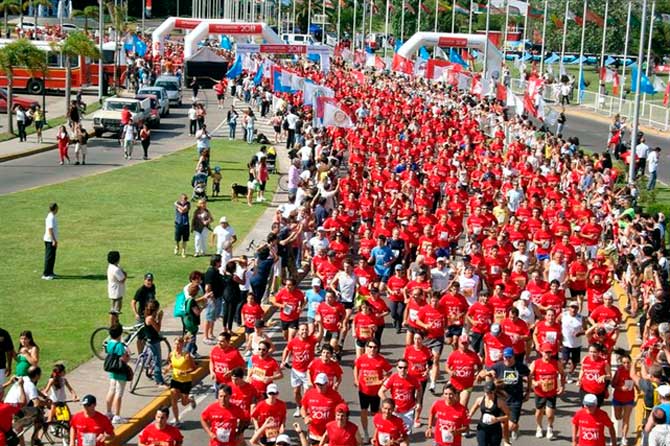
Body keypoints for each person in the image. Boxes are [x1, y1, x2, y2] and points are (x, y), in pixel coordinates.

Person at [482, 347, 530, 441]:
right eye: (505, 357)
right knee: (503, 424)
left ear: (513, 357)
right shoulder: (498, 366)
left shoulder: (520, 367)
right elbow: (487, 372)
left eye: (509, 357)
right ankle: (505, 441)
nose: (507, 359)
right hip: (502, 400)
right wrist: (490, 374)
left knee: (511, 425)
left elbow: (529, 375)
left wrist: (528, 391)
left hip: (515, 399)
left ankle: (515, 428)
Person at [354, 340, 393, 443]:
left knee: (375, 413)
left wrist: (384, 379)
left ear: (377, 348)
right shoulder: (361, 358)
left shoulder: (381, 360)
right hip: (363, 390)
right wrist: (356, 380)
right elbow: (356, 367)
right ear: (366, 347)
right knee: (363, 411)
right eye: (370, 347)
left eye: (375, 347)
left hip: (376, 392)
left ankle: (378, 433)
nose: (372, 349)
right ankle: (366, 433)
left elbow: (389, 371)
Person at [281, 323, 318, 417]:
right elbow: (286, 350)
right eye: (302, 330)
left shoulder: (312, 339)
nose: (304, 331)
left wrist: (320, 324)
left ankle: (304, 409)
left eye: (306, 329)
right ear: (298, 332)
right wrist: (283, 361)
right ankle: (299, 406)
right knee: (296, 392)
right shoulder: (293, 342)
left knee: (306, 394)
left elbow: (320, 335)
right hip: (296, 371)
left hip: (308, 372)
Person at [300, 373, 345, 444]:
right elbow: (303, 408)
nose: (319, 386)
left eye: (322, 384)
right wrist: (305, 417)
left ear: (327, 384)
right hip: (314, 433)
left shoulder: (334, 395)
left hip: (329, 433)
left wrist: (339, 421)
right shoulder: (309, 393)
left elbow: (343, 408)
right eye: (317, 384)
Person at [164, 337, 196, 426]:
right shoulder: (171, 354)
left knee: (184, 402)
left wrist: (185, 372)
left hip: (186, 381)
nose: (177, 346)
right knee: (173, 399)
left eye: (179, 344)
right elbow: (171, 363)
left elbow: (194, 368)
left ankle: (190, 400)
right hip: (175, 380)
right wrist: (167, 369)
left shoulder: (186, 355)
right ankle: (177, 420)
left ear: (182, 345)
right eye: (175, 344)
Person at [469, 380, 510, 446]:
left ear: (494, 391)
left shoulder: (500, 402)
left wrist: (497, 419)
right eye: (486, 392)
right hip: (482, 428)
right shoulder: (480, 400)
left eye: (490, 392)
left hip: (495, 430)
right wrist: (469, 415)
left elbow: (508, 416)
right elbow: (473, 409)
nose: (488, 394)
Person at [105, 324, 130, 424]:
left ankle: (108, 412)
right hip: (120, 372)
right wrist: (127, 354)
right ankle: (117, 415)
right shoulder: (120, 346)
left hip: (112, 371)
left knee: (111, 390)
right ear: (120, 333)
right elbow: (125, 359)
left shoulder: (109, 343)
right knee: (118, 394)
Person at [106, 250, 126, 326]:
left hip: (113, 291)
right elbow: (122, 279)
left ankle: (115, 323)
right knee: (115, 311)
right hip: (117, 292)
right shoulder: (116, 269)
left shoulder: (111, 267)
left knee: (113, 310)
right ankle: (113, 325)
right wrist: (125, 273)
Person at [42, 202, 59, 280]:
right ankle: (46, 274)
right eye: (57, 208)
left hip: (52, 240)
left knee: (52, 257)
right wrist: (54, 240)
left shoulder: (52, 216)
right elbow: (50, 229)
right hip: (49, 240)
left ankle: (51, 272)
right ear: (55, 208)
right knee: (49, 257)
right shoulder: (50, 217)